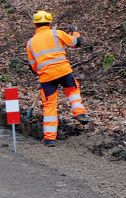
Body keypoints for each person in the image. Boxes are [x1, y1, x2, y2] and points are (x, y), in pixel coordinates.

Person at [26, 10, 90, 147]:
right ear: (49, 22)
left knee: (49, 106)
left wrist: (44, 71)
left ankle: (49, 139)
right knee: (72, 90)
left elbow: (33, 68)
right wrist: (75, 32)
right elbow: (76, 43)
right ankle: (80, 113)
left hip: (46, 77)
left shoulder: (30, 43)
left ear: (35, 25)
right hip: (63, 71)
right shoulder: (57, 33)